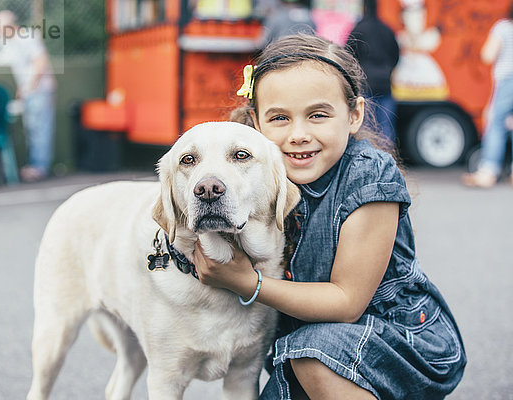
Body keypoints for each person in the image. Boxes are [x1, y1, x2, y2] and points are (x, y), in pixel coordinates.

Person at [194, 34, 466, 399]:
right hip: (305, 344)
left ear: (354, 115)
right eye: (279, 118)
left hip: (400, 341)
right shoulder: (254, 180)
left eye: (318, 115)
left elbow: (346, 303)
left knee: (313, 356)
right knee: (299, 363)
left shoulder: (369, 175)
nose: (299, 135)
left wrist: (247, 283)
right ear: (256, 123)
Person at [0, 10, 56, 182]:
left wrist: (30, 87)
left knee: (40, 129)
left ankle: (39, 168)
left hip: (39, 90)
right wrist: (23, 90)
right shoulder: (9, 43)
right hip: (29, 92)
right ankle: (35, 166)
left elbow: (41, 62)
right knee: (31, 129)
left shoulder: (27, 36)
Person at [462, 3, 513, 188]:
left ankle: (488, 171)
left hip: (508, 80)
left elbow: (488, 55)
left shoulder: (503, 27)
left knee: (496, 123)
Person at [346, 0, 400, 145]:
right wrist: (388, 70)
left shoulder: (358, 29)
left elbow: (348, 55)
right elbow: (396, 55)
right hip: (385, 83)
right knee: (386, 127)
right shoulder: (386, 29)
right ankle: (388, 158)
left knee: (367, 128)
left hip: (365, 84)